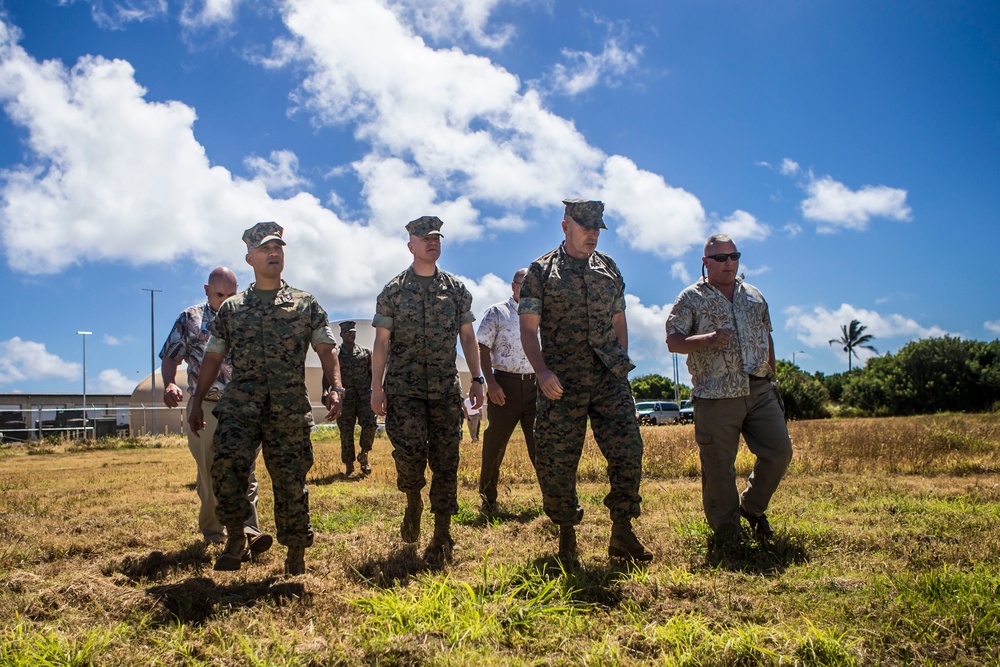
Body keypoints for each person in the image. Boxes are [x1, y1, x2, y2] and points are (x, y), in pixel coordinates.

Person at [188, 221, 343, 575]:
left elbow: (326, 347)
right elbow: (212, 356)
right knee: (225, 468)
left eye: (278, 247)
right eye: (265, 249)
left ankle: (295, 553)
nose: (274, 253)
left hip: (288, 406)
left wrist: (336, 386)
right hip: (240, 403)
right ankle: (236, 537)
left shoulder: (305, 304)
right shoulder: (232, 309)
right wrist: (197, 401)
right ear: (249, 258)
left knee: (290, 480)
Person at [518, 199, 652, 562]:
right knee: (556, 460)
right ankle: (566, 532)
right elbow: (528, 330)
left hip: (609, 378)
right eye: (585, 227)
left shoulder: (609, 269)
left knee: (628, 451)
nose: (592, 234)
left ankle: (622, 531)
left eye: (597, 228)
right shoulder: (541, 272)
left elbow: (619, 319)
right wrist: (542, 371)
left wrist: (619, 363)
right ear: (566, 227)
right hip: (562, 381)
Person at [371, 215, 485, 567]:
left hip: (443, 389)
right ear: (411, 246)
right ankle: (413, 501)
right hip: (404, 390)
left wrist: (477, 379)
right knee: (408, 455)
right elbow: (381, 342)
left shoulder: (455, 289)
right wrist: (376, 386)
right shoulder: (392, 291)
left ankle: (442, 530)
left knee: (447, 460)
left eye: (436, 237)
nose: (432, 242)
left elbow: (467, 336)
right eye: (425, 238)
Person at [665, 233, 792, 542]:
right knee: (720, 469)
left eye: (734, 256)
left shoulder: (754, 295)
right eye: (720, 258)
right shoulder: (691, 298)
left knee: (779, 452)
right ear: (705, 263)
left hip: (760, 390)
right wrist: (707, 338)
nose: (729, 263)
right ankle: (727, 537)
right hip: (716, 396)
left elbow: (767, 336)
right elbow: (673, 341)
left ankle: (751, 507)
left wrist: (772, 378)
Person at [159, 267, 272, 555]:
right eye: (220, 294)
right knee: (210, 471)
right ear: (207, 290)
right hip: (205, 406)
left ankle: (250, 531)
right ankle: (213, 532)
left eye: (232, 295)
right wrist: (170, 383)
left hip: (242, 404)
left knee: (244, 469)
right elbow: (172, 355)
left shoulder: (247, 317)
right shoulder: (190, 318)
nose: (225, 300)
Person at [476, 267, 537, 511]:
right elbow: (482, 347)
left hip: (535, 386)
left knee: (540, 444)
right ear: (513, 286)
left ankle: (552, 498)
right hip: (504, 385)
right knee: (495, 443)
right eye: (523, 284)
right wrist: (490, 383)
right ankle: (487, 497)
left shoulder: (543, 314)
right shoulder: (497, 312)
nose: (527, 289)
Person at [322, 321, 377, 476]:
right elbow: (327, 375)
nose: (350, 334)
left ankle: (364, 453)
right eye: (347, 332)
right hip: (344, 399)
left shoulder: (365, 353)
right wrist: (325, 392)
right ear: (341, 335)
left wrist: (376, 391)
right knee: (346, 431)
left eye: (352, 332)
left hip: (364, 397)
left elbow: (372, 375)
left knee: (371, 424)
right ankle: (349, 465)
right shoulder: (336, 354)